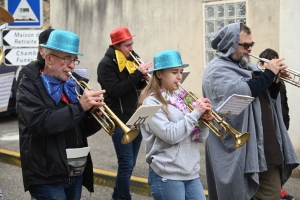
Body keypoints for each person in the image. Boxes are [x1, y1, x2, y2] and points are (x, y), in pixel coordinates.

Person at [202, 22, 299, 200]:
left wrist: (275, 81)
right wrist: (268, 74)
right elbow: (241, 93)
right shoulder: (215, 70)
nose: (249, 49)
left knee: (271, 193)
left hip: (265, 145)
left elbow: (266, 96)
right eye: (245, 45)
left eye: (251, 44)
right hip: (241, 148)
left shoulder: (249, 67)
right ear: (230, 44)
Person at [17, 29, 105, 199]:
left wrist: (94, 117)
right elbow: (40, 124)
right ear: (49, 58)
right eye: (66, 59)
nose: (72, 65)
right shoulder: (28, 84)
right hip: (46, 174)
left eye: (74, 59)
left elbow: (80, 129)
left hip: (75, 168)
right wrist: (80, 107)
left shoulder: (76, 85)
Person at [138, 50, 212, 200]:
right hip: (167, 174)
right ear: (159, 74)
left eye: (181, 71)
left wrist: (203, 121)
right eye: (174, 72)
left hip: (191, 171)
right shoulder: (150, 103)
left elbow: (199, 138)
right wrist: (196, 113)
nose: (180, 77)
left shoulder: (182, 98)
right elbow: (170, 136)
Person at [97, 27, 152, 200]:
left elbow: (134, 88)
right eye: (127, 46)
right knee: (126, 163)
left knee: (131, 163)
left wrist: (145, 81)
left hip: (136, 117)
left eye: (132, 44)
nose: (131, 49)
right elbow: (114, 90)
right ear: (117, 46)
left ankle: (117, 195)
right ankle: (123, 197)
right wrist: (137, 74)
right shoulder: (106, 65)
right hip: (119, 119)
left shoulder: (132, 60)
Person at [258, 48, 295, 200]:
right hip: (265, 131)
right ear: (262, 63)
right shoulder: (259, 78)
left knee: (278, 160)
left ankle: (278, 187)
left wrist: (284, 125)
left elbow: (283, 106)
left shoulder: (280, 83)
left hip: (279, 127)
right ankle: (277, 189)